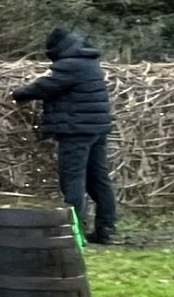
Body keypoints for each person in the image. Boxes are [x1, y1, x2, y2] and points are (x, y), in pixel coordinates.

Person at [12, 27, 119, 245]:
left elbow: (45, 87)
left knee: (72, 181)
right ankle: (106, 229)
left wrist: (18, 94)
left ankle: (74, 232)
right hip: (96, 129)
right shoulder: (90, 62)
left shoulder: (71, 65)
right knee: (99, 180)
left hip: (76, 131)